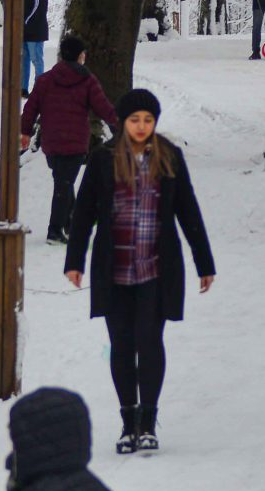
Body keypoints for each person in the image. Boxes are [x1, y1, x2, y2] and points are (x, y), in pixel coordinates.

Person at [64, 89, 215, 453]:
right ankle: (127, 421)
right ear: (123, 122)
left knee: (149, 342)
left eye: (148, 120)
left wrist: (204, 262)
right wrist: (74, 261)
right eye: (135, 120)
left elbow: (188, 211)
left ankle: (148, 422)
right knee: (121, 344)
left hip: (156, 269)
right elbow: (84, 212)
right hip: (113, 268)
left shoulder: (169, 157)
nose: (142, 126)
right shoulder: (103, 159)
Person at [21, 34, 119, 244]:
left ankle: (73, 223)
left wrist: (25, 132)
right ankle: (55, 231)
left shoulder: (45, 80)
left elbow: (30, 108)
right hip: (75, 143)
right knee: (63, 185)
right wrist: (119, 127)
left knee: (63, 182)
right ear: (79, 56)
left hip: (51, 142)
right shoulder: (86, 80)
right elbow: (103, 107)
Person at [22, 0, 50, 94]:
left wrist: (24, 20)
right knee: (24, 59)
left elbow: (36, 5)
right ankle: (23, 87)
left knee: (36, 59)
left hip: (35, 29)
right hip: (25, 29)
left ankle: (39, 88)